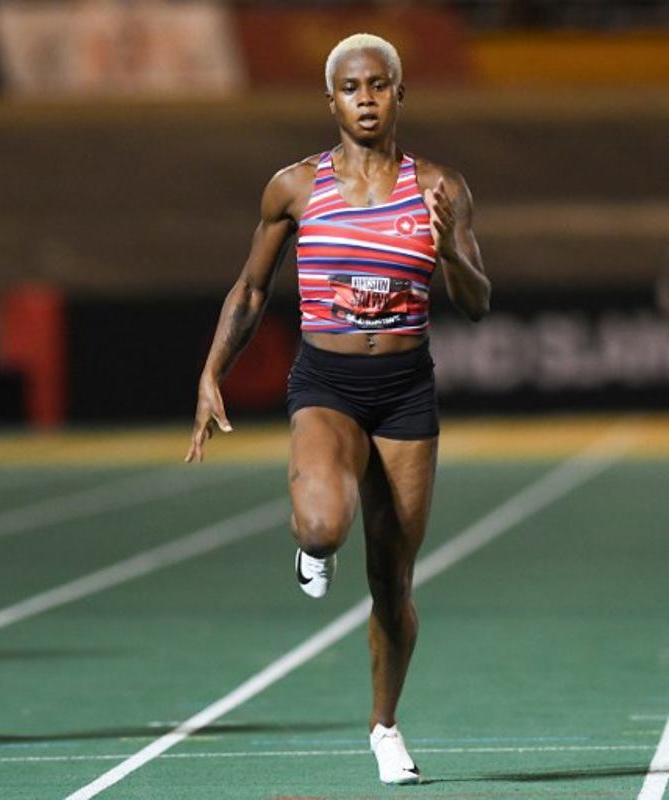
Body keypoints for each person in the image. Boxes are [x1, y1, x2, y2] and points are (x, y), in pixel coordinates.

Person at [186, 33, 490, 785]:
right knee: (324, 523)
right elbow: (252, 292)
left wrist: (451, 247)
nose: (365, 97)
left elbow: (478, 303)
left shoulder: (440, 187)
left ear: (398, 96)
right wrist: (210, 371)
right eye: (351, 86)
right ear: (331, 100)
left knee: (392, 585)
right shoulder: (293, 188)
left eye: (379, 85)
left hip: (406, 392)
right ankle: (311, 546)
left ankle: (385, 727)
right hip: (327, 383)